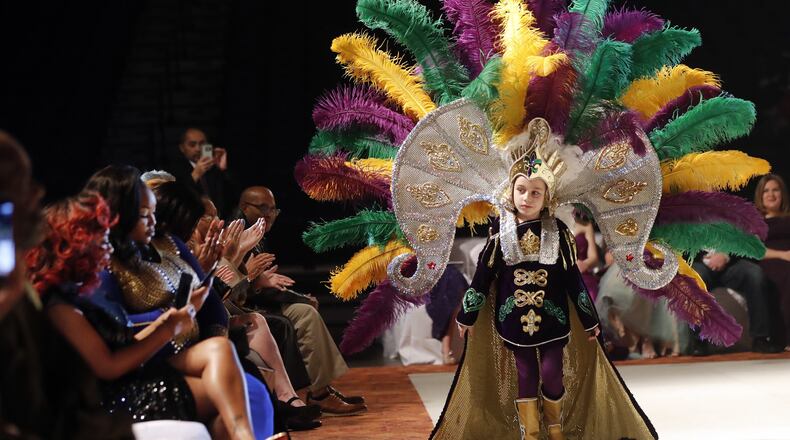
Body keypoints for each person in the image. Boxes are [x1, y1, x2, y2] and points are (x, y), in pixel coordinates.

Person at [84, 165, 274, 439]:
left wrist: (195, 323)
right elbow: (112, 333)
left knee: (234, 370)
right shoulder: (103, 262)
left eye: (154, 214)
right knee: (228, 373)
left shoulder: (168, 244)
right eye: (144, 215)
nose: (153, 222)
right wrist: (172, 319)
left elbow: (212, 311)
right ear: (119, 215)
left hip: (185, 351)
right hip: (142, 362)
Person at [229, 186, 367, 416]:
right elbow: (236, 284)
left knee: (304, 311)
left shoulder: (256, 233)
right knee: (303, 313)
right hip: (241, 308)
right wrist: (253, 278)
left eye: (273, 209)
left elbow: (261, 282)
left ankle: (319, 391)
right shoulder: (237, 233)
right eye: (263, 208)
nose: (269, 214)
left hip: (255, 302)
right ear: (244, 208)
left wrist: (272, 285)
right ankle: (313, 394)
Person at [755, 173, 790, 350]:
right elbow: (754, 250)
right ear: (760, 196)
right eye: (766, 191)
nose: (771, 194)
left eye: (775, 190)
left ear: (782, 193)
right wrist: (782, 255)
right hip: (771, 260)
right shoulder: (755, 221)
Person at [168, 127, 236, 217]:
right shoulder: (174, 169)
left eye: (202, 144)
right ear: (182, 148)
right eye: (192, 145)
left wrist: (223, 170)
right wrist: (195, 175)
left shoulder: (214, 167)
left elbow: (233, 195)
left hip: (219, 219)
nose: (198, 149)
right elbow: (176, 197)